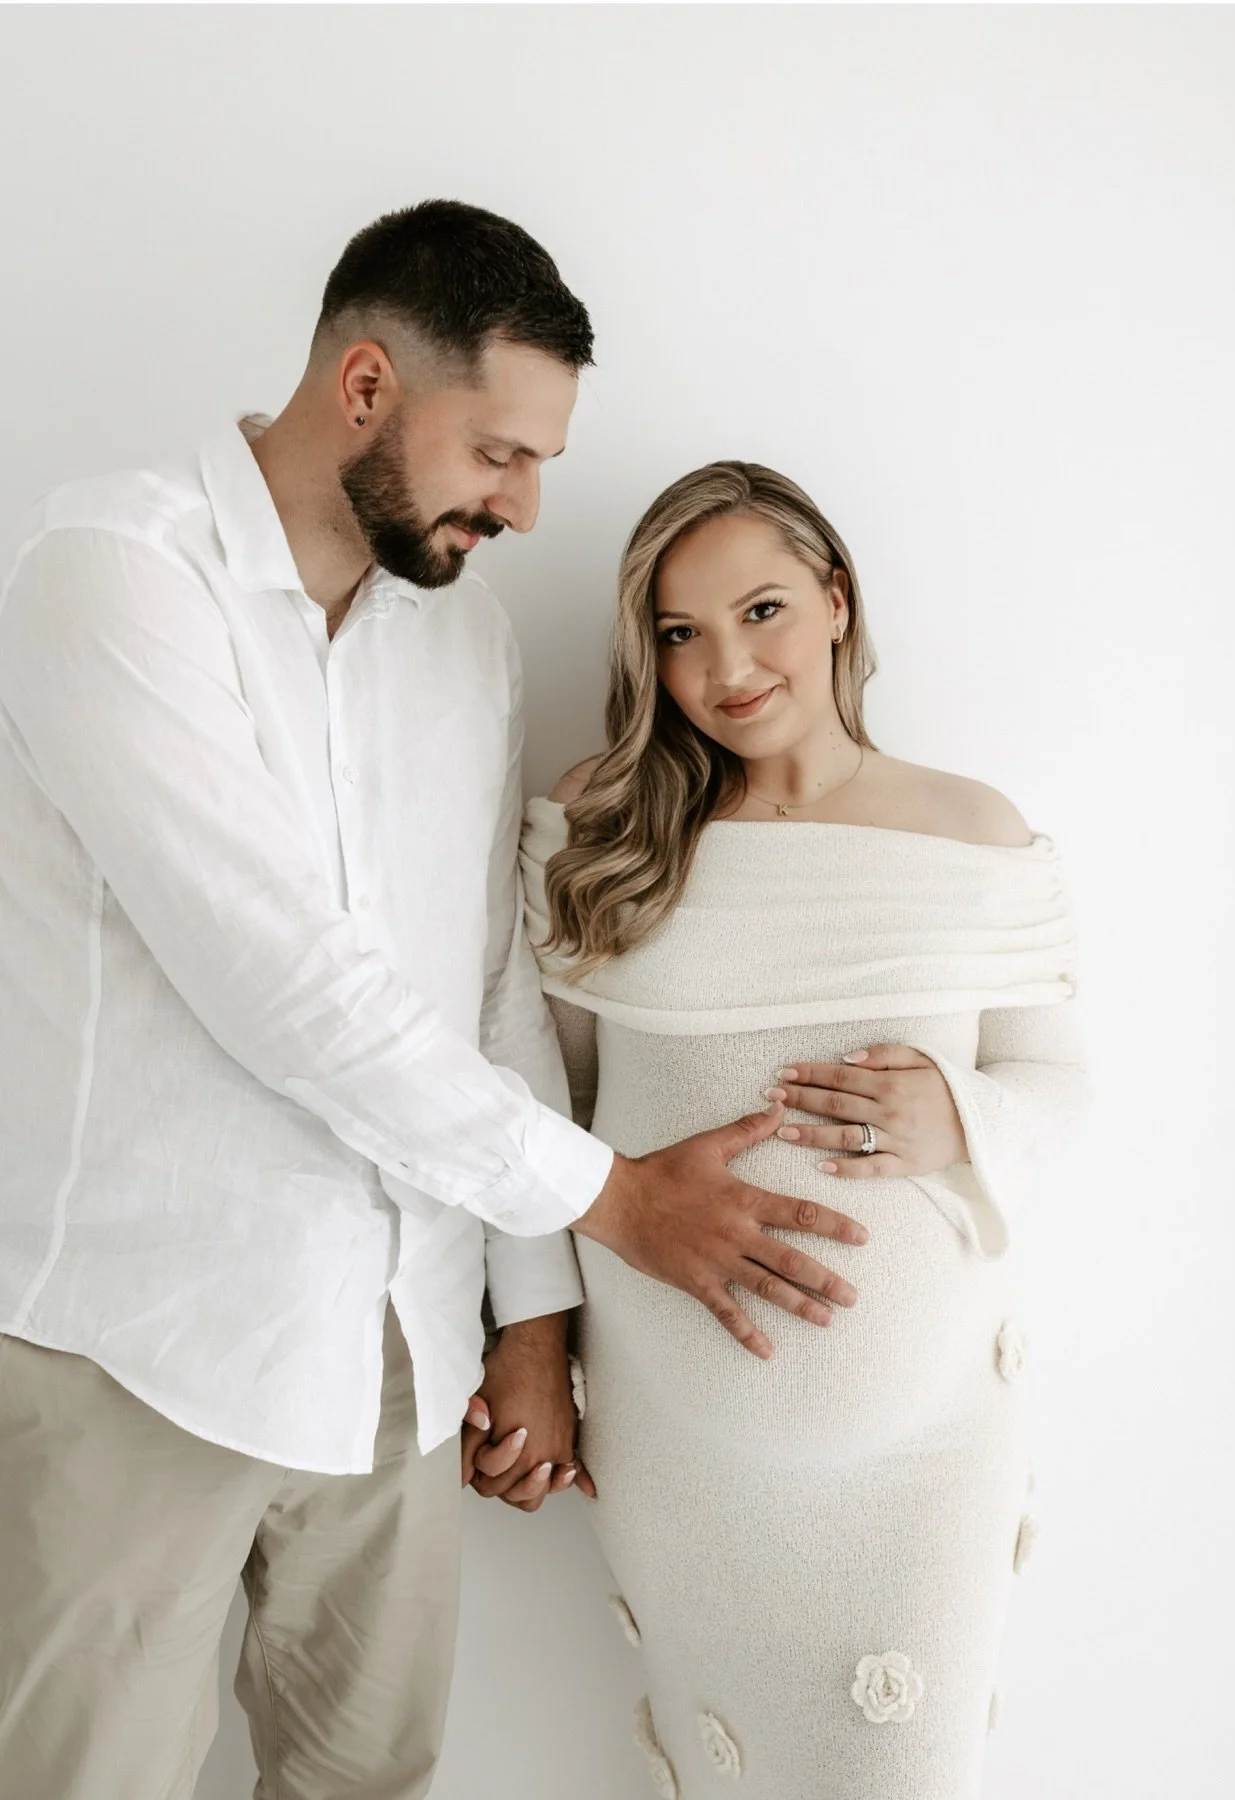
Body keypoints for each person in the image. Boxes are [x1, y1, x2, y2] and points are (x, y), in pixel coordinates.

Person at [0, 204, 867, 1800]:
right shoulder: (114, 577)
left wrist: (527, 1324)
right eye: (500, 452)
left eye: (541, 462)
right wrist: (612, 1202)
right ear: (367, 386)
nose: (524, 505)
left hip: (394, 1361)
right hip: (142, 1352)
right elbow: (282, 985)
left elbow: (486, 984)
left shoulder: (461, 637)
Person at [517, 462, 1089, 1799]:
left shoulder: (970, 828)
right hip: (679, 1444)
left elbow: (1059, 1078)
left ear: (836, 601)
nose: (726, 667)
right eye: (681, 633)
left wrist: (960, 1113)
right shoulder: (601, 829)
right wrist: (529, 1346)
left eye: (762, 610)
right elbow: (537, 1118)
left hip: (930, 1448)